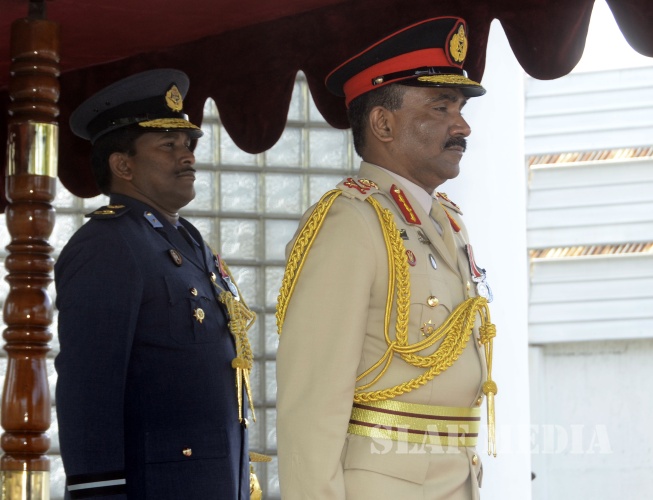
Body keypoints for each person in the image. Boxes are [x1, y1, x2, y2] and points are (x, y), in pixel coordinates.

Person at [276, 17, 498, 500]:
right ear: (383, 124)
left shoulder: (448, 221)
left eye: (460, 109)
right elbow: (311, 405)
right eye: (441, 107)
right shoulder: (349, 223)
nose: (462, 126)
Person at [54, 69, 257, 499]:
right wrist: (98, 492)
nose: (188, 157)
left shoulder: (186, 239)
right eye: (168, 145)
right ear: (123, 165)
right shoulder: (108, 244)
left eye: (188, 144)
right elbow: (88, 387)